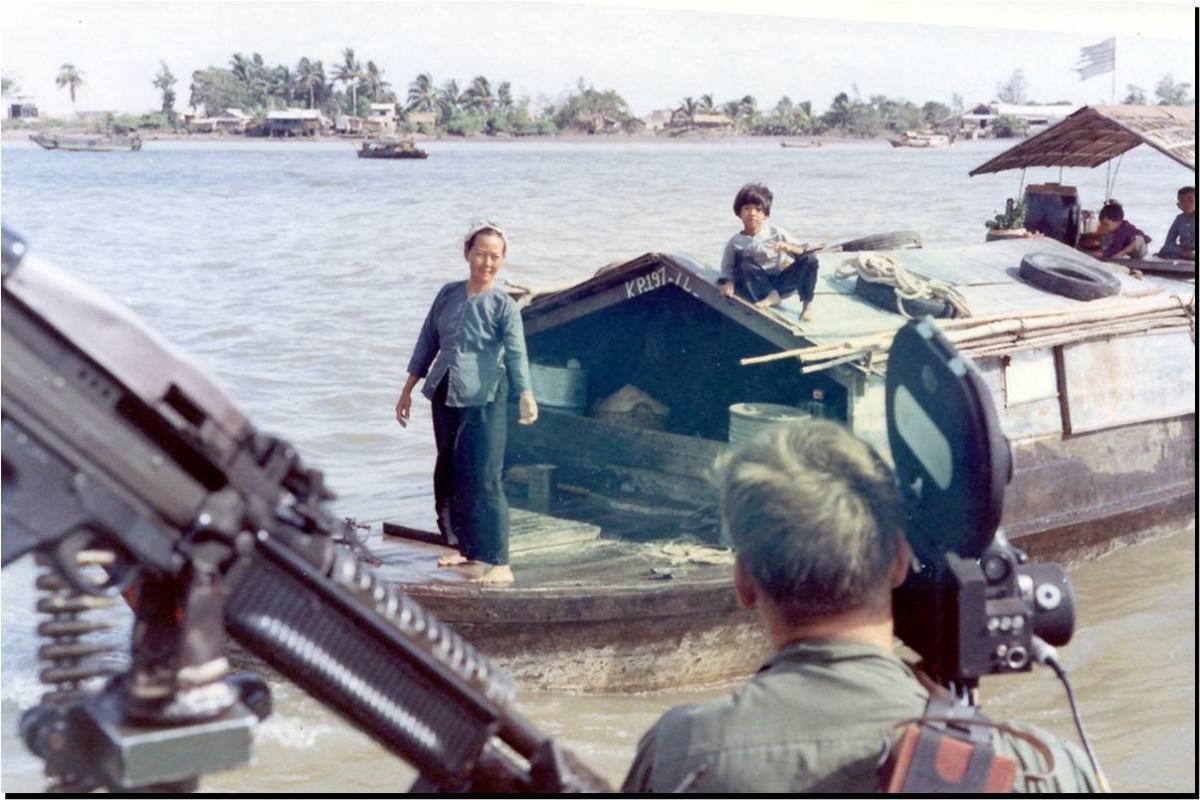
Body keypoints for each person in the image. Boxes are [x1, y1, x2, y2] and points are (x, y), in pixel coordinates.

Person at [622, 419, 1099, 793]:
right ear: (897, 560)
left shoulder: (676, 755)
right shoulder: (1039, 768)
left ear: (744, 581)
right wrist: (959, 723)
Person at [395, 221, 538, 585]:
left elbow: (518, 354)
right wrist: (408, 389)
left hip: (486, 395)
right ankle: (464, 548)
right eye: (480, 254)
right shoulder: (448, 294)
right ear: (466, 254)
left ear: (502, 260)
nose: (487, 262)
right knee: (449, 472)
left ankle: (500, 561)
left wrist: (525, 394)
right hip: (443, 390)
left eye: (495, 256)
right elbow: (427, 340)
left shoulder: (504, 306)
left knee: (485, 478)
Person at [719, 183, 822, 319]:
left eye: (758, 209)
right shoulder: (735, 241)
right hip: (756, 285)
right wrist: (728, 283)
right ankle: (770, 296)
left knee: (810, 258)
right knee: (743, 257)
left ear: (766, 215)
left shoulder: (776, 233)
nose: (752, 213)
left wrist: (788, 247)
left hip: (780, 284)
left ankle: (806, 304)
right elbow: (727, 268)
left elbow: (803, 252)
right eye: (747, 208)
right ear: (739, 213)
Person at [1156, 185, 1196, 260]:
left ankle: (1187, 255)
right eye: (1183, 201)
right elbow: (1170, 238)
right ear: (1178, 205)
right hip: (1183, 249)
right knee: (1165, 249)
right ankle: (1185, 255)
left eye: (1191, 201)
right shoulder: (1179, 218)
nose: (1187, 204)